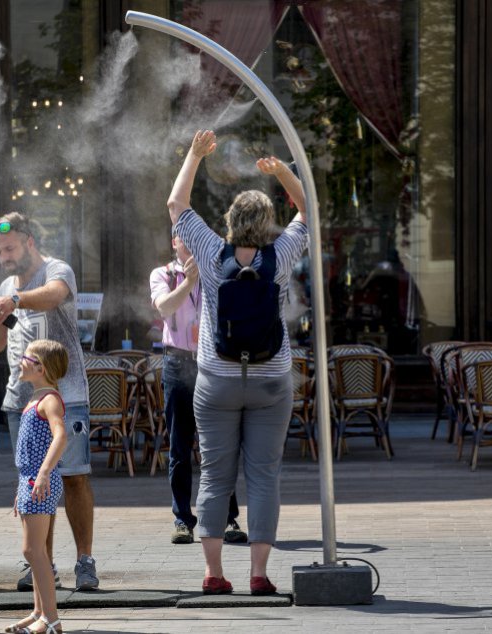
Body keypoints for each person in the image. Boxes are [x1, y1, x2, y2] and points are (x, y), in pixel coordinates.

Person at [167, 130, 308, 596]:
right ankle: (259, 575)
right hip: (271, 380)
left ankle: (212, 574)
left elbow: (176, 205)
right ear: (268, 224)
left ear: (229, 220)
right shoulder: (281, 254)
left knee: (215, 472)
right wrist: (283, 171)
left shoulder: (211, 251)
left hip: (217, 380)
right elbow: (310, 213)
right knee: (264, 474)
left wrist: (194, 155)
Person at [0, 212, 99, 592]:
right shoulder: (5, 284)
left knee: (75, 477)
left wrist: (15, 299)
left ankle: (84, 560)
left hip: (67, 394)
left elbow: (55, 296)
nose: (5, 257)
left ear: (30, 240)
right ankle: (40, 564)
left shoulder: (55, 270)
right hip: (21, 400)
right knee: (33, 481)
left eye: (10, 248)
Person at [149, 229, 247, 545]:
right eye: (183, 239)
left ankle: (227, 518)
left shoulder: (216, 274)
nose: (190, 246)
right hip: (178, 362)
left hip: (212, 361)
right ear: (174, 242)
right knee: (179, 445)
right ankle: (182, 520)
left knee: (219, 444)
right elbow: (163, 308)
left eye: (194, 240)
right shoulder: (163, 274)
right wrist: (189, 282)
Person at [5, 339, 69, 634]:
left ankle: (51, 619)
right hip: (29, 480)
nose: (20, 360)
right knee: (36, 550)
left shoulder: (49, 400)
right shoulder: (36, 398)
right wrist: (23, 486)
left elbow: (61, 437)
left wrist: (43, 474)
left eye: (26, 357)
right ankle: (39, 611)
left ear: (40, 368)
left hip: (38, 480)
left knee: (33, 551)